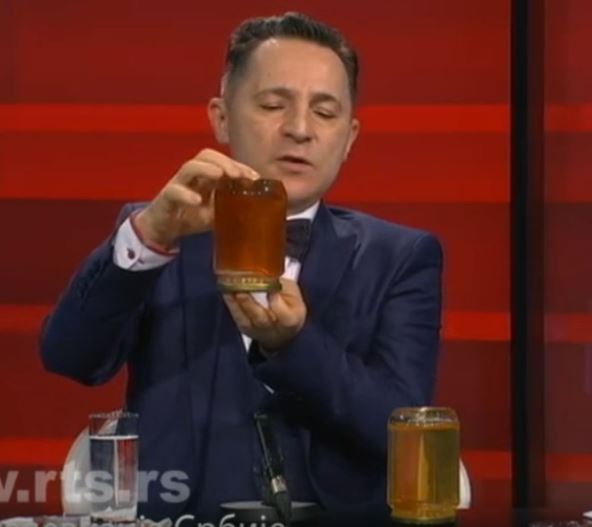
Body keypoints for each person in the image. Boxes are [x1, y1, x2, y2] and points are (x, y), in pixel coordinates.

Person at [39, 12, 443, 522]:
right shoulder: (159, 232)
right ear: (222, 117)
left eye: (325, 112)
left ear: (350, 137)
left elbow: (401, 430)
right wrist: (150, 238)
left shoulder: (400, 256)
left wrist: (293, 345)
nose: (299, 130)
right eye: (273, 105)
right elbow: (70, 357)